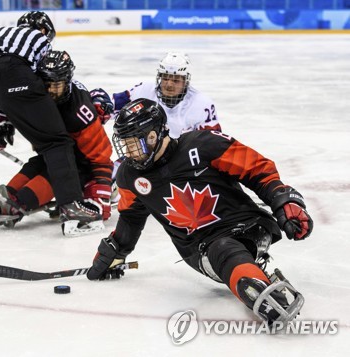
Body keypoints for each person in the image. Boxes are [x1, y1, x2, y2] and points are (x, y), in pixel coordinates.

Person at [86, 98, 314, 325]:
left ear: (153, 135)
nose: (128, 152)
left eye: (133, 143)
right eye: (124, 144)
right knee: (222, 249)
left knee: (226, 248)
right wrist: (115, 250)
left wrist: (283, 201)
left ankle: (259, 287)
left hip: (248, 226)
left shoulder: (203, 144)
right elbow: (131, 216)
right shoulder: (129, 176)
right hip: (200, 251)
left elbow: (256, 169)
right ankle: (256, 283)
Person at [0, 12, 99, 232]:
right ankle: (70, 205)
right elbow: (34, 80)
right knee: (56, 141)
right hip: (14, 73)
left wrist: (2, 122)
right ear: (43, 31)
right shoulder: (39, 40)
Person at [0, 50, 113, 233]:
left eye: (57, 85)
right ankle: (9, 195)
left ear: (67, 82)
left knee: (59, 171)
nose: (51, 90)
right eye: (46, 84)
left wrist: (100, 194)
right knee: (36, 165)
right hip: (54, 154)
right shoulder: (36, 97)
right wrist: (1, 124)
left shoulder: (79, 112)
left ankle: (19, 203)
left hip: (83, 166)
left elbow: (100, 157)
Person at [112, 52, 221, 138]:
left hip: (183, 161)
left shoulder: (201, 104)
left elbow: (212, 143)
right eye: (165, 78)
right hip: (145, 156)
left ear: (185, 81)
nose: (169, 84)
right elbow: (111, 107)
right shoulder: (144, 90)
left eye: (176, 80)